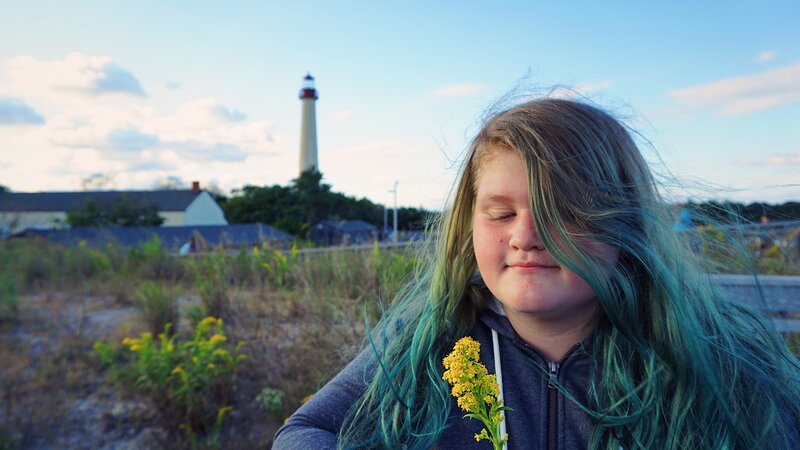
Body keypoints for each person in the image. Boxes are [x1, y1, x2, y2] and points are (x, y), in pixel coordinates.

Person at [273, 98, 800, 449]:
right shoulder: (425, 340)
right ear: (468, 226)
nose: (525, 236)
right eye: (501, 214)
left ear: (625, 224)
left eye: (561, 213)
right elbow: (304, 431)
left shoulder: (718, 361)